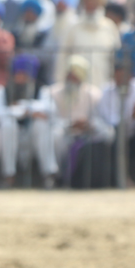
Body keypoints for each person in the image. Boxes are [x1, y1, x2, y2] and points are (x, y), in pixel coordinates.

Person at [0, 54, 57, 188]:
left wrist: (25, 109)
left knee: (41, 125)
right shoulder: (4, 90)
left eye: (25, 74)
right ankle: (8, 175)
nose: (21, 77)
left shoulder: (41, 90)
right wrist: (18, 111)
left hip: (33, 136)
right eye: (19, 74)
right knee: (8, 124)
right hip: (12, 136)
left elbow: (49, 110)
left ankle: (48, 175)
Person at [50, 55, 105, 185]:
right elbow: (52, 119)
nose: (71, 78)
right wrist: (70, 125)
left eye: (75, 75)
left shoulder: (93, 94)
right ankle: (57, 176)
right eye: (69, 74)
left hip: (86, 133)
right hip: (65, 132)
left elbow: (100, 120)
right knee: (55, 136)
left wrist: (88, 124)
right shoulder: (54, 92)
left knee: (107, 133)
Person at [59, 0, 120, 90]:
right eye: (88, 2)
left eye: (94, 2)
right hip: (77, 84)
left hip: (102, 80)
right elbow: (63, 56)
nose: (91, 5)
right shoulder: (74, 27)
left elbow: (115, 57)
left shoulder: (109, 27)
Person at [11, 0, 52, 90]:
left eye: (31, 12)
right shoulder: (16, 33)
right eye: (27, 12)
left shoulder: (42, 35)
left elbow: (44, 54)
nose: (28, 15)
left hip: (38, 77)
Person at [46, 0, 79, 83]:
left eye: (63, 2)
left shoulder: (74, 24)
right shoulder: (52, 23)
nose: (59, 5)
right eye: (58, 2)